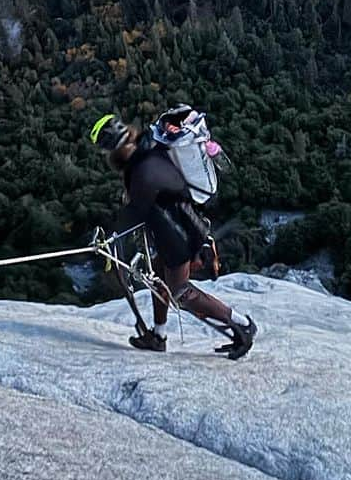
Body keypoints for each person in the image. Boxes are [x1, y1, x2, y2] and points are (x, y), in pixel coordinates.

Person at [89, 112, 257, 359]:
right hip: (182, 226)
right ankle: (158, 336)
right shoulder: (150, 146)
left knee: (181, 291)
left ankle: (242, 325)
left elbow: (136, 211)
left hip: (178, 236)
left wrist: (112, 235)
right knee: (158, 277)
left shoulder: (141, 171)